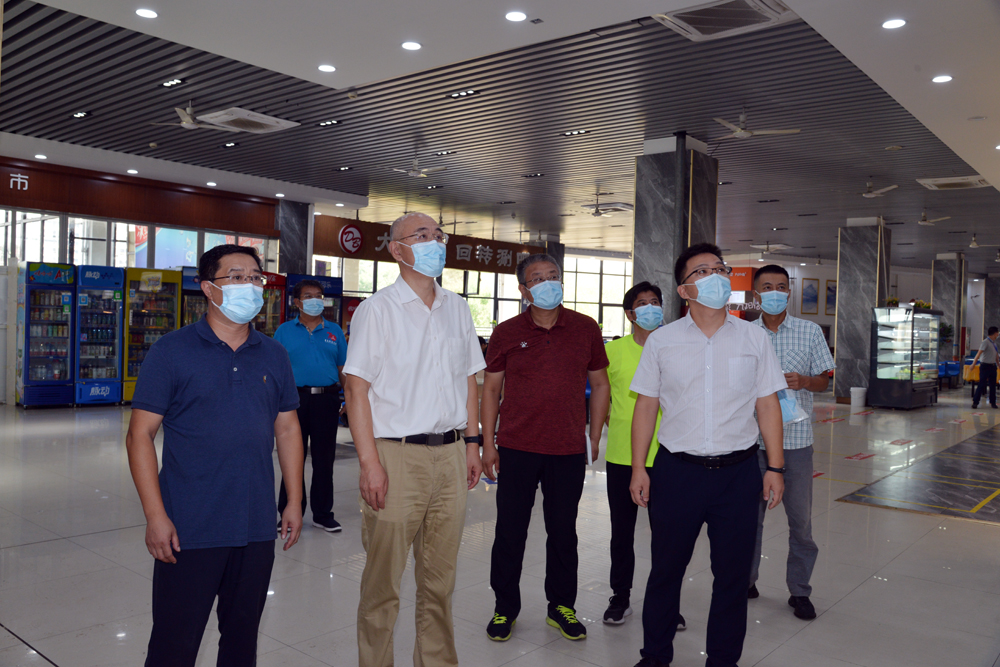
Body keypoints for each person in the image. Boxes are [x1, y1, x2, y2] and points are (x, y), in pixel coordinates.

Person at [125, 244, 304, 667]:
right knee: (174, 644)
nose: (250, 285)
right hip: (189, 527)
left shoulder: (274, 354)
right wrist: (155, 516)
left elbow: (288, 428)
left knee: (241, 642)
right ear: (208, 288)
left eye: (256, 277)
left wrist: (294, 500)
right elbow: (139, 436)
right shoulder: (172, 351)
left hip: (255, 524)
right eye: (237, 277)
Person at [628, 243, 787, 667]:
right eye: (702, 271)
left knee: (732, 578)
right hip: (677, 473)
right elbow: (646, 406)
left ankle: (723, 660)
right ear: (684, 290)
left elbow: (767, 404)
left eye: (720, 268)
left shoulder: (753, 337)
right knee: (666, 571)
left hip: (738, 475)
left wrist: (775, 466)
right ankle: (655, 656)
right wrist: (639, 467)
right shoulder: (663, 341)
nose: (715, 276)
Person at [343, 212, 486, 667]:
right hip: (396, 455)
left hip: (451, 454)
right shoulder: (377, 310)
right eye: (421, 235)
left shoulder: (457, 307)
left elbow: (470, 380)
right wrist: (370, 463)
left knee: (440, 581)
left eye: (438, 235)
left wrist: (472, 443)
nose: (434, 243)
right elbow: (356, 388)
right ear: (397, 249)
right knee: (383, 583)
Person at [481, 254, 611, 642]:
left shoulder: (585, 328)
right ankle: (505, 608)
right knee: (510, 532)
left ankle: (561, 606)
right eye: (538, 278)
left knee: (563, 532)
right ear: (524, 290)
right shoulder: (506, 332)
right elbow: (491, 389)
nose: (548, 283)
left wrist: (594, 435)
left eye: (553, 275)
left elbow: (600, 384)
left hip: (567, 448)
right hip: (517, 446)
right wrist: (488, 444)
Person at [748, 265, 836, 620]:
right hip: (751, 442)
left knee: (800, 523)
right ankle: (745, 582)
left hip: (796, 442)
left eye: (781, 286)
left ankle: (799, 591)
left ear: (789, 292)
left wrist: (804, 381)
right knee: (748, 520)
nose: (775, 292)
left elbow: (825, 381)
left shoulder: (809, 331)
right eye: (767, 286)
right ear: (756, 294)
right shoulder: (743, 333)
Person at [602, 281, 687, 630]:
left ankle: (667, 603)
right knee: (622, 532)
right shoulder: (612, 351)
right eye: (642, 303)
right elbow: (601, 395)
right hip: (622, 456)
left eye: (655, 302)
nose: (650, 308)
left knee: (667, 536)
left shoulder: (675, 348)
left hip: (668, 456)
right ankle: (620, 597)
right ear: (629, 314)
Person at [273, 279, 349, 533]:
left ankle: (323, 514)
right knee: (292, 456)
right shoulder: (284, 331)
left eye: (319, 295)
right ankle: (288, 511)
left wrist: (349, 399)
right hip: (293, 401)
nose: (315, 300)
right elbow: (275, 370)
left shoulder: (334, 331)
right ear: (297, 302)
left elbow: (343, 368)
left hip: (327, 400)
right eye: (308, 296)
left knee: (324, 459)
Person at [971, 326, 1000, 409]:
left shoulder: (994, 343)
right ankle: (975, 402)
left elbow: (996, 356)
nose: (998, 334)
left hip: (993, 366)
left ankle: (993, 402)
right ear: (994, 333)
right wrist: (973, 364)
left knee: (993, 385)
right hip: (985, 366)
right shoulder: (985, 342)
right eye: (997, 333)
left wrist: (998, 365)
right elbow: (978, 354)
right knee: (982, 384)